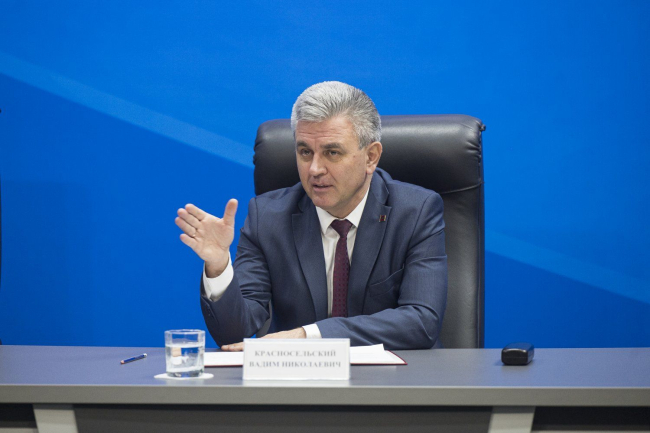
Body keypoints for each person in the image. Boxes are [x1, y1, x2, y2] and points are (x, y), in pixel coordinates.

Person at [175, 81, 447, 351]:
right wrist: (219, 266)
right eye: (305, 152)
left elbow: (421, 321)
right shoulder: (267, 218)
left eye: (332, 152)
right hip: (300, 379)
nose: (315, 169)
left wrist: (310, 335)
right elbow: (235, 335)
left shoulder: (416, 212)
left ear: (371, 157)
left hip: (395, 376)